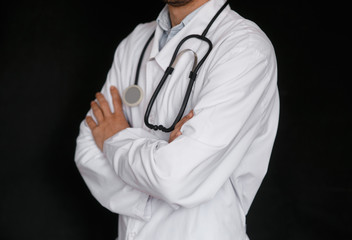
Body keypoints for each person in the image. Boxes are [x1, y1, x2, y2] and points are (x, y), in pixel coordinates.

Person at [74, 0, 279, 239]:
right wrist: (158, 182)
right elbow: (87, 150)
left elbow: (173, 178)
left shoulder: (244, 48)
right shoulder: (136, 42)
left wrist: (115, 138)